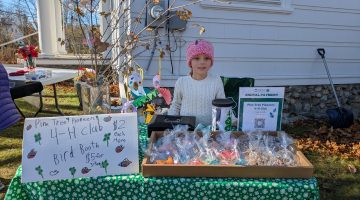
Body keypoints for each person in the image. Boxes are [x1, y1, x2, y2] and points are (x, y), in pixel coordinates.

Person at [168, 39, 225, 125]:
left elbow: (223, 106)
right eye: (197, 58)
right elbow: (176, 106)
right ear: (190, 62)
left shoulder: (216, 81)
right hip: (185, 130)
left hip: (209, 130)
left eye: (206, 58)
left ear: (211, 62)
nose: (202, 62)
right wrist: (170, 124)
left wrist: (233, 120)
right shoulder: (181, 82)